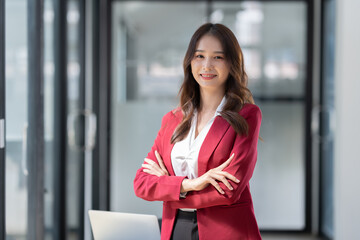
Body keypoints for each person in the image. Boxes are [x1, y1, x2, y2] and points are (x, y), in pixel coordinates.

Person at [133, 23, 262, 240]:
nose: (207, 65)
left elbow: (228, 190)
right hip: (175, 230)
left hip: (226, 233)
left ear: (231, 63)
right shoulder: (172, 120)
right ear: (190, 62)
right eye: (199, 56)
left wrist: (169, 189)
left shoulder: (246, 115)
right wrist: (189, 184)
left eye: (218, 57)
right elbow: (141, 183)